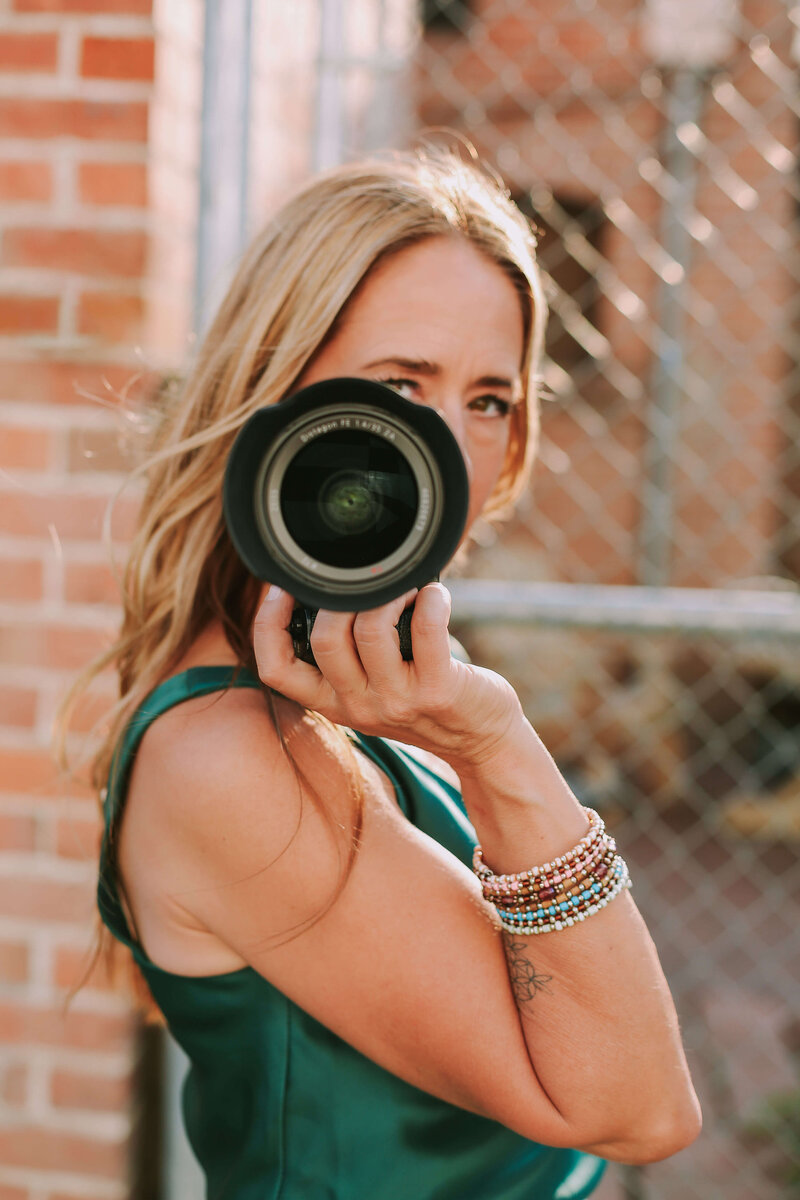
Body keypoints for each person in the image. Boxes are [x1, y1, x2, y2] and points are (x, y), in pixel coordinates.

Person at [61, 148, 701, 1199]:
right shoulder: (228, 757)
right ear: (279, 403)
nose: (447, 448)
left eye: (488, 400)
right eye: (400, 386)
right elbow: (635, 1109)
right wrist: (497, 748)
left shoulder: (361, 682)